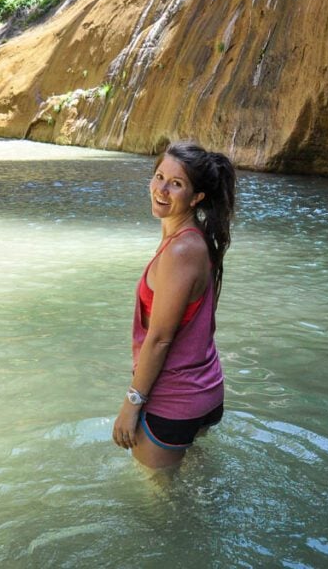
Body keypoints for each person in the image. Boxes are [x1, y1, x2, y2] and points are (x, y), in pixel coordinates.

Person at [112, 141, 236, 468]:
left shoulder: (181, 251)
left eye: (176, 184)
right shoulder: (194, 238)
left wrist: (131, 404)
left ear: (196, 198)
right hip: (203, 392)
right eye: (159, 176)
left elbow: (160, 338)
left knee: (157, 508)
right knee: (192, 487)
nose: (161, 189)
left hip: (172, 402)